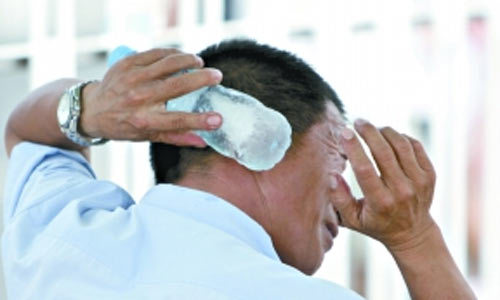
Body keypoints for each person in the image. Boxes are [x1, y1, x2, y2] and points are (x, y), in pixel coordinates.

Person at [2, 39, 475, 299]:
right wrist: (416, 239)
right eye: (339, 153)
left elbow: (24, 132)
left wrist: (90, 107)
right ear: (253, 136)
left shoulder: (59, 239)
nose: (346, 191)